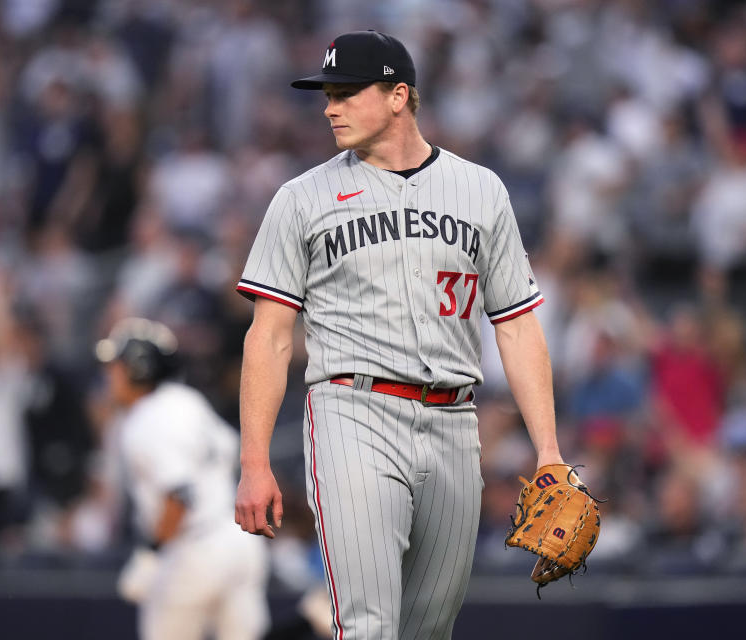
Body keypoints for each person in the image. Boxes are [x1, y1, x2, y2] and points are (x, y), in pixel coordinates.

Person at [234, 30, 564, 640]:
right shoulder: (301, 199)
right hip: (352, 411)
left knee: (426, 630)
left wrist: (548, 450)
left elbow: (516, 324)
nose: (330, 106)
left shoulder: (481, 190)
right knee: (367, 626)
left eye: (346, 92)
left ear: (398, 96)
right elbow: (270, 337)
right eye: (327, 93)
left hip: (454, 423)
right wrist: (254, 460)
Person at [96, 317, 268, 640]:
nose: (110, 375)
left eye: (116, 366)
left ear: (139, 367)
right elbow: (230, 451)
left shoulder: (143, 420)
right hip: (238, 541)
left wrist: (149, 556)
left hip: (191, 551)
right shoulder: (186, 400)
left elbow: (180, 495)